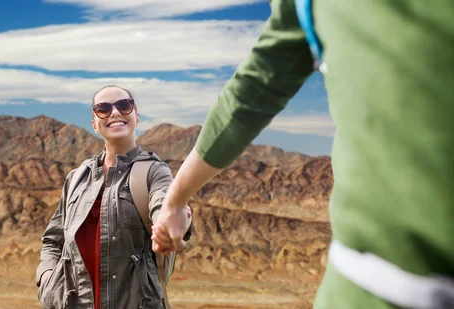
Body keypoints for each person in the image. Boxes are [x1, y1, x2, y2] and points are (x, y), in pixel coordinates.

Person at [151, 0, 454, 308]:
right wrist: (175, 200)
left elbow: (251, 94)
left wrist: (176, 202)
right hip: (372, 287)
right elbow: (251, 91)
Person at [36, 85, 176, 309]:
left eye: (123, 105)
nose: (115, 113)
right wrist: (47, 280)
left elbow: (166, 208)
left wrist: (174, 221)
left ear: (136, 116)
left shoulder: (154, 172)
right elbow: (53, 240)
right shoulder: (78, 177)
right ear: (94, 124)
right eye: (103, 109)